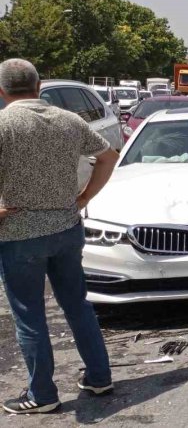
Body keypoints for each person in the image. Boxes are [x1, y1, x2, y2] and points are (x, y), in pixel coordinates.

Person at [0, 59, 118, 414]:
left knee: (30, 315)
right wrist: (84, 197)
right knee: (77, 304)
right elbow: (108, 157)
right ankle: (99, 376)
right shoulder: (68, 119)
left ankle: (43, 394)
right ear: (39, 87)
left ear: (2, 92)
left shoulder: (4, 124)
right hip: (67, 228)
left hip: (20, 234)